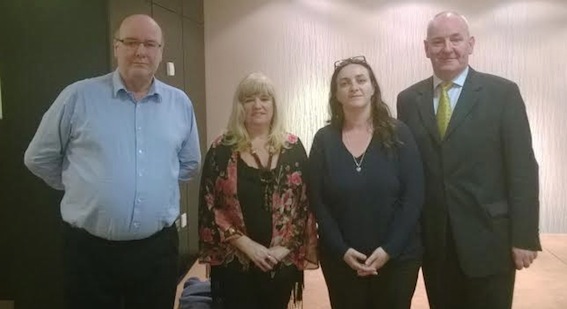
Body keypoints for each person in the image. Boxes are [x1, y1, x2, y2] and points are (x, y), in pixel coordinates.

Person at [23, 14, 201, 309]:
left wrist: (150, 184)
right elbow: (38, 158)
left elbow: (189, 164)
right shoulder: (78, 97)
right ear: (116, 47)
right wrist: (82, 186)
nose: (140, 51)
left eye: (149, 44)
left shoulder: (179, 103)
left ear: (160, 50)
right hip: (89, 251)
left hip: (156, 250)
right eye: (131, 42)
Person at [396, 11, 541, 309]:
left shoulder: (503, 93)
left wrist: (525, 236)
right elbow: (407, 169)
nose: (447, 48)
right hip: (435, 241)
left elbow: (523, 169)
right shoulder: (408, 100)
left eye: (455, 39)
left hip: (490, 239)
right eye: (437, 41)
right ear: (426, 48)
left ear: (471, 44)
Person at [309, 56, 424, 309]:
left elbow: (414, 197)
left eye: (361, 80)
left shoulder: (399, 134)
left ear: (373, 87)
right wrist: (341, 250)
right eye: (345, 83)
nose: (354, 87)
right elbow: (317, 201)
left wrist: (389, 250)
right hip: (341, 259)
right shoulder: (324, 140)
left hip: (398, 257)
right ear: (336, 94)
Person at [198, 72, 318, 309]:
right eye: (249, 99)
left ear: (274, 105)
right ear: (239, 106)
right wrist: (247, 246)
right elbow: (210, 207)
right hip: (235, 260)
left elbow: (304, 205)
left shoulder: (293, 147)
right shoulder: (221, 148)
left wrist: (282, 249)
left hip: (280, 260)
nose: (257, 105)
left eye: (264, 98)